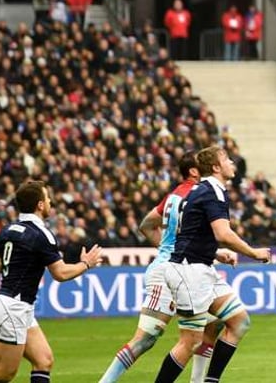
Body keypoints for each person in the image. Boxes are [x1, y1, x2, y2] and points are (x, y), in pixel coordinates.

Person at [99, 153, 230, 383]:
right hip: (170, 272)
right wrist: (169, 251)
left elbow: (147, 225)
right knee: (145, 339)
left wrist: (173, 247)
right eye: (203, 166)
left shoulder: (173, 196)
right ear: (193, 171)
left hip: (182, 268)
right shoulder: (196, 194)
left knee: (215, 322)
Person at [153, 146, 271, 383]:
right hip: (189, 271)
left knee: (239, 321)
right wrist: (253, 253)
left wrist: (216, 254)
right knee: (190, 341)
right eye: (227, 159)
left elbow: (192, 234)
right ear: (216, 167)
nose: (232, 163)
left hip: (201, 267)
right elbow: (223, 233)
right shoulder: (211, 192)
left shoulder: (203, 190)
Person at [0, 180, 103, 383]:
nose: (50, 201)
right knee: (3, 373)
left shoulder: (8, 230)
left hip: (14, 305)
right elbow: (60, 273)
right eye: (47, 197)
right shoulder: (41, 234)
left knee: (43, 360)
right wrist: (85, 264)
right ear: (40, 205)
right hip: (14, 307)